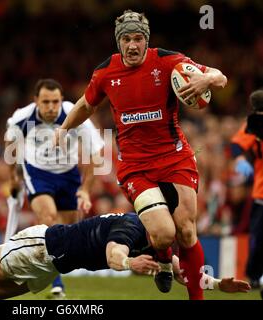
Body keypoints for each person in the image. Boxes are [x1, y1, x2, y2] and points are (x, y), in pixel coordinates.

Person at [53, 10, 227, 300]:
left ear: (147, 41)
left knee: (185, 230)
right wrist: (64, 128)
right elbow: (86, 105)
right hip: (135, 166)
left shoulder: (170, 61)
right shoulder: (107, 71)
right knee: (163, 234)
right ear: (118, 42)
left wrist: (205, 81)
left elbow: (220, 77)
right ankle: (162, 259)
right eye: (126, 39)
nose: (132, 45)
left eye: (138, 39)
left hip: (175, 156)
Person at [0, 208, 250, 300]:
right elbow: (113, 253)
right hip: (40, 247)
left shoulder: (162, 239)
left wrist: (218, 284)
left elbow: (183, 270)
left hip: (51, 266)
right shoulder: (133, 227)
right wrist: (128, 263)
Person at [4, 78, 104, 298]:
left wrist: (85, 189)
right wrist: (13, 177)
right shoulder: (22, 118)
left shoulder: (76, 115)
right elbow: (10, 143)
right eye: (46, 102)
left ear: (62, 101)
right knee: (49, 220)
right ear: (36, 101)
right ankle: (57, 284)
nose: (51, 107)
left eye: (55, 102)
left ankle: (45, 271)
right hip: (37, 173)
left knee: (67, 232)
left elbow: (97, 156)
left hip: (68, 175)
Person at [230, 89, 263, 298]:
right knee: (259, 240)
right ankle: (253, 274)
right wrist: (240, 159)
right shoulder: (253, 124)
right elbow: (236, 145)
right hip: (261, 192)